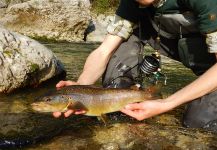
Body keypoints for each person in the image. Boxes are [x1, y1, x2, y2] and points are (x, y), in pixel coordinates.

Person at [53, 0, 217, 129]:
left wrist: (167, 103)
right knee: (121, 40)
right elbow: (104, 51)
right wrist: (81, 86)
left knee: (198, 121)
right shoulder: (131, 4)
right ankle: (122, 109)